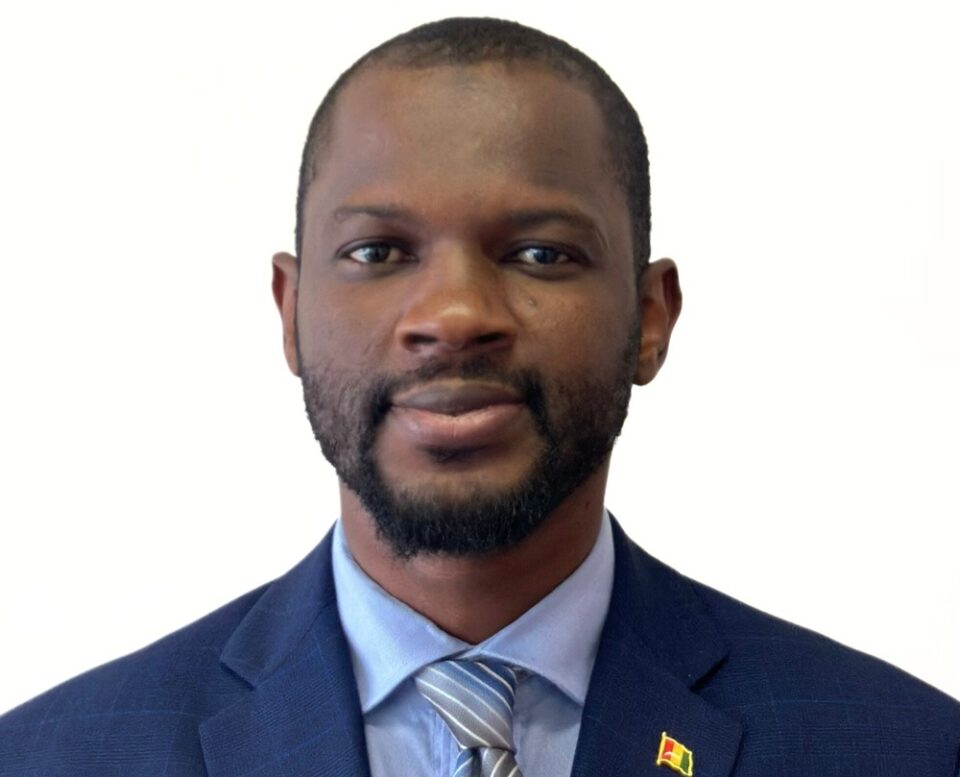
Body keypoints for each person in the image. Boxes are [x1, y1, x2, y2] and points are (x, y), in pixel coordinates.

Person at [1, 16, 957, 777]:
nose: (455, 315)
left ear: (649, 318)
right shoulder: (50, 758)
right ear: (291, 313)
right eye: (378, 251)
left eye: (540, 253)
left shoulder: (907, 751)